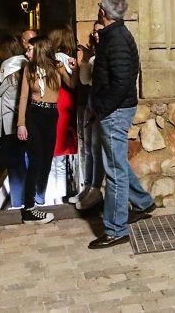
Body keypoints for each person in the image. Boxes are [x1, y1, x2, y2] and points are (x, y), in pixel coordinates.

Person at [87, 0, 156, 248]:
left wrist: (102, 107)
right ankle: (143, 202)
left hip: (114, 111)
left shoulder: (116, 39)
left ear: (104, 12)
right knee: (115, 161)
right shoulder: (112, 36)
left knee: (114, 169)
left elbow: (122, 81)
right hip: (113, 109)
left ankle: (116, 229)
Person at [16, 36, 62, 224]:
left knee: (46, 161)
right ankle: (28, 209)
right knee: (35, 160)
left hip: (51, 116)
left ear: (40, 50)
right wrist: (21, 123)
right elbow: (23, 97)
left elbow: (73, 83)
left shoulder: (56, 67)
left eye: (29, 49)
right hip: (34, 114)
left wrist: (75, 67)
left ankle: (38, 199)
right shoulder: (29, 68)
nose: (26, 53)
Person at [0, 35, 28, 210]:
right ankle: (30, 198)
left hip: (9, 121)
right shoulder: (26, 62)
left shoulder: (7, 66)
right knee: (24, 161)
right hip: (25, 118)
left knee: (14, 164)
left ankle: (18, 201)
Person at [72, 19, 105, 211]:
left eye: (98, 31)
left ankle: (95, 189)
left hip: (101, 104)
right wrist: (85, 59)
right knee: (88, 147)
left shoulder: (107, 52)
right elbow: (85, 80)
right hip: (91, 101)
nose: (95, 34)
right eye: (94, 31)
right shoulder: (93, 53)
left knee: (95, 147)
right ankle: (87, 186)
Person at [46, 27, 79, 206]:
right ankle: (59, 194)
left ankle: (56, 195)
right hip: (65, 104)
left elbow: (71, 83)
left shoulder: (58, 59)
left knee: (55, 154)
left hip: (58, 105)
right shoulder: (62, 59)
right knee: (59, 156)